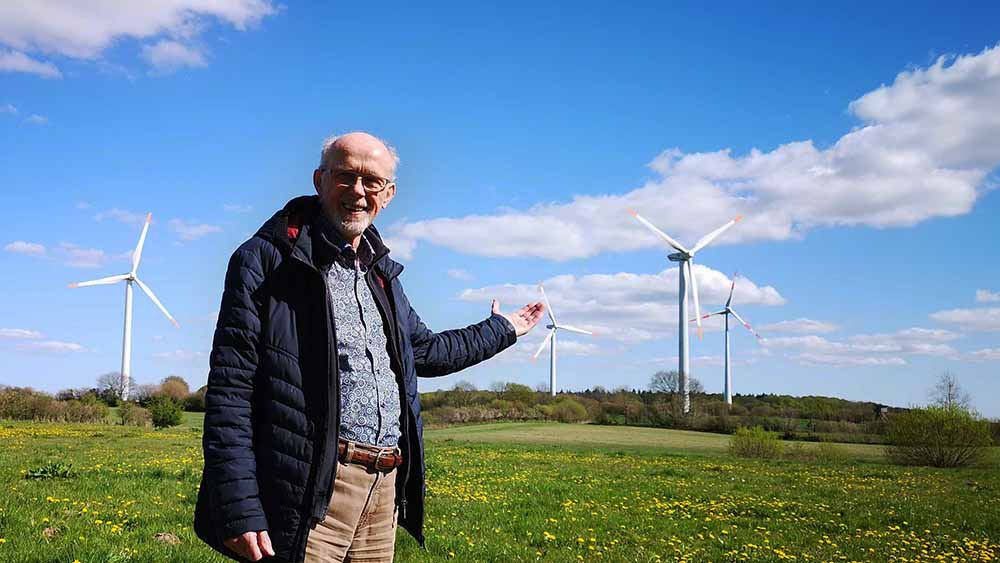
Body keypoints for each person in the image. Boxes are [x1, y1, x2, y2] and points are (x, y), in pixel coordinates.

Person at [194, 131, 545, 563]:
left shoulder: (381, 274)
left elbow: (426, 352)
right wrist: (239, 507)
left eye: (372, 181)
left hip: (383, 493)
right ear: (320, 180)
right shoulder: (266, 261)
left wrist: (503, 328)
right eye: (346, 176)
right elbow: (232, 389)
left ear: (389, 193)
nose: (358, 192)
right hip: (309, 489)